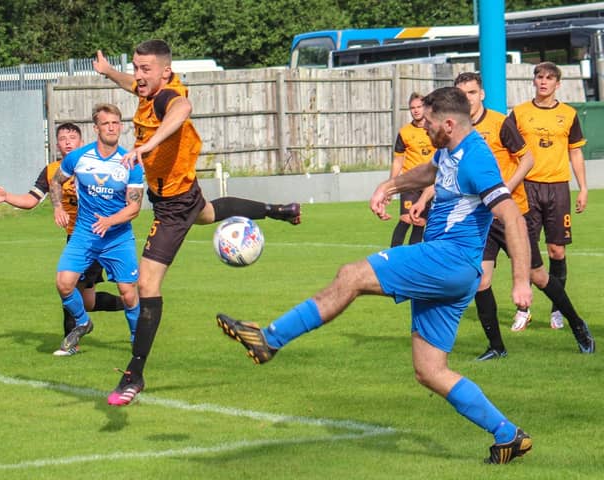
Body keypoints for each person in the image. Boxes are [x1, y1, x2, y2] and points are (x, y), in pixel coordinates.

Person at [217, 87, 534, 464]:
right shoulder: (451, 149)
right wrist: (390, 185)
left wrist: (520, 281)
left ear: (448, 124)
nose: (423, 127)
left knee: (351, 275)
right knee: (430, 371)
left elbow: (512, 217)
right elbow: (431, 169)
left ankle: (269, 339)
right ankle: (507, 434)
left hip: (448, 259)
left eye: (429, 122)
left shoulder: (477, 160)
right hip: (452, 270)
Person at [93, 39, 302, 406]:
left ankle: (134, 374)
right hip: (179, 193)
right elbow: (134, 85)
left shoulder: (166, 97)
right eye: (136, 68)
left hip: (173, 204)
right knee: (207, 212)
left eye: (146, 70)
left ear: (166, 72)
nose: (138, 76)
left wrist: (147, 145)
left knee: (147, 283)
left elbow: (181, 108)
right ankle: (279, 210)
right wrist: (110, 71)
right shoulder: (146, 89)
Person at [454, 72, 595, 360]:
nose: (466, 99)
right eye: (461, 94)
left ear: (481, 94)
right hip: (482, 219)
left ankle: (577, 325)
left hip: (513, 215)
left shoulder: (500, 123)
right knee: (480, 281)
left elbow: (527, 158)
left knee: (539, 276)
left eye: (471, 93)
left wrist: (507, 188)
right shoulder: (457, 129)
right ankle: (496, 346)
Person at [0, 122, 126, 356]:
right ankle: (133, 303)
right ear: (57, 143)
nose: (67, 142)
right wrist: (6, 197)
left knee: (68, 287)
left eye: (72, 137)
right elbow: (32, 200)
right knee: (88, 302)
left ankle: (70, 343)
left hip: (97, 235)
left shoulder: (93, 163)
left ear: (81, 142)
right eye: (62, 138)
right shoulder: (52, 170)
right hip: (76, 239)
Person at [51, 103, 144, 356]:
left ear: (120, 127)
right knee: (64, 283)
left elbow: (134, 208)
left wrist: (109, 221)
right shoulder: (79, 157)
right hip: (84, 234)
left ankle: (137, 341)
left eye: (115, 123)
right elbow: (56, 181)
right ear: (96, 128)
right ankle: (83, 322)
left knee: (128, 294)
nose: (111, 127)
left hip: (118, 237)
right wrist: (58, 207)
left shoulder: (130, 163)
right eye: (106, 123)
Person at [509, 61, 588, 331]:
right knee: (525, 251)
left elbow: (575, 151)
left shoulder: (568, 114)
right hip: (527, 187)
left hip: (557, 188)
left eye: (549, 78)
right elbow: (507, 150)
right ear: (533, 81)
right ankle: (523, 309)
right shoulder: (519, 113)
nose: (543, 82)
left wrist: (583, 187)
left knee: (556, 250)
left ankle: (557, 309)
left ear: (558, 83)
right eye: (539, 77)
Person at [389, 92, 435, 247]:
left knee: (420, 221)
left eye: (419, 107)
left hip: (430, 184)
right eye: (412, 108)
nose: (416, 110)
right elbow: (398, 160)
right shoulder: (405, 132)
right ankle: (393, 256)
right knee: (406, 218)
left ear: (426, 108)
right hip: (411, 182)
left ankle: (412, 259)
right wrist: (391, 184)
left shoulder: (434, 129)